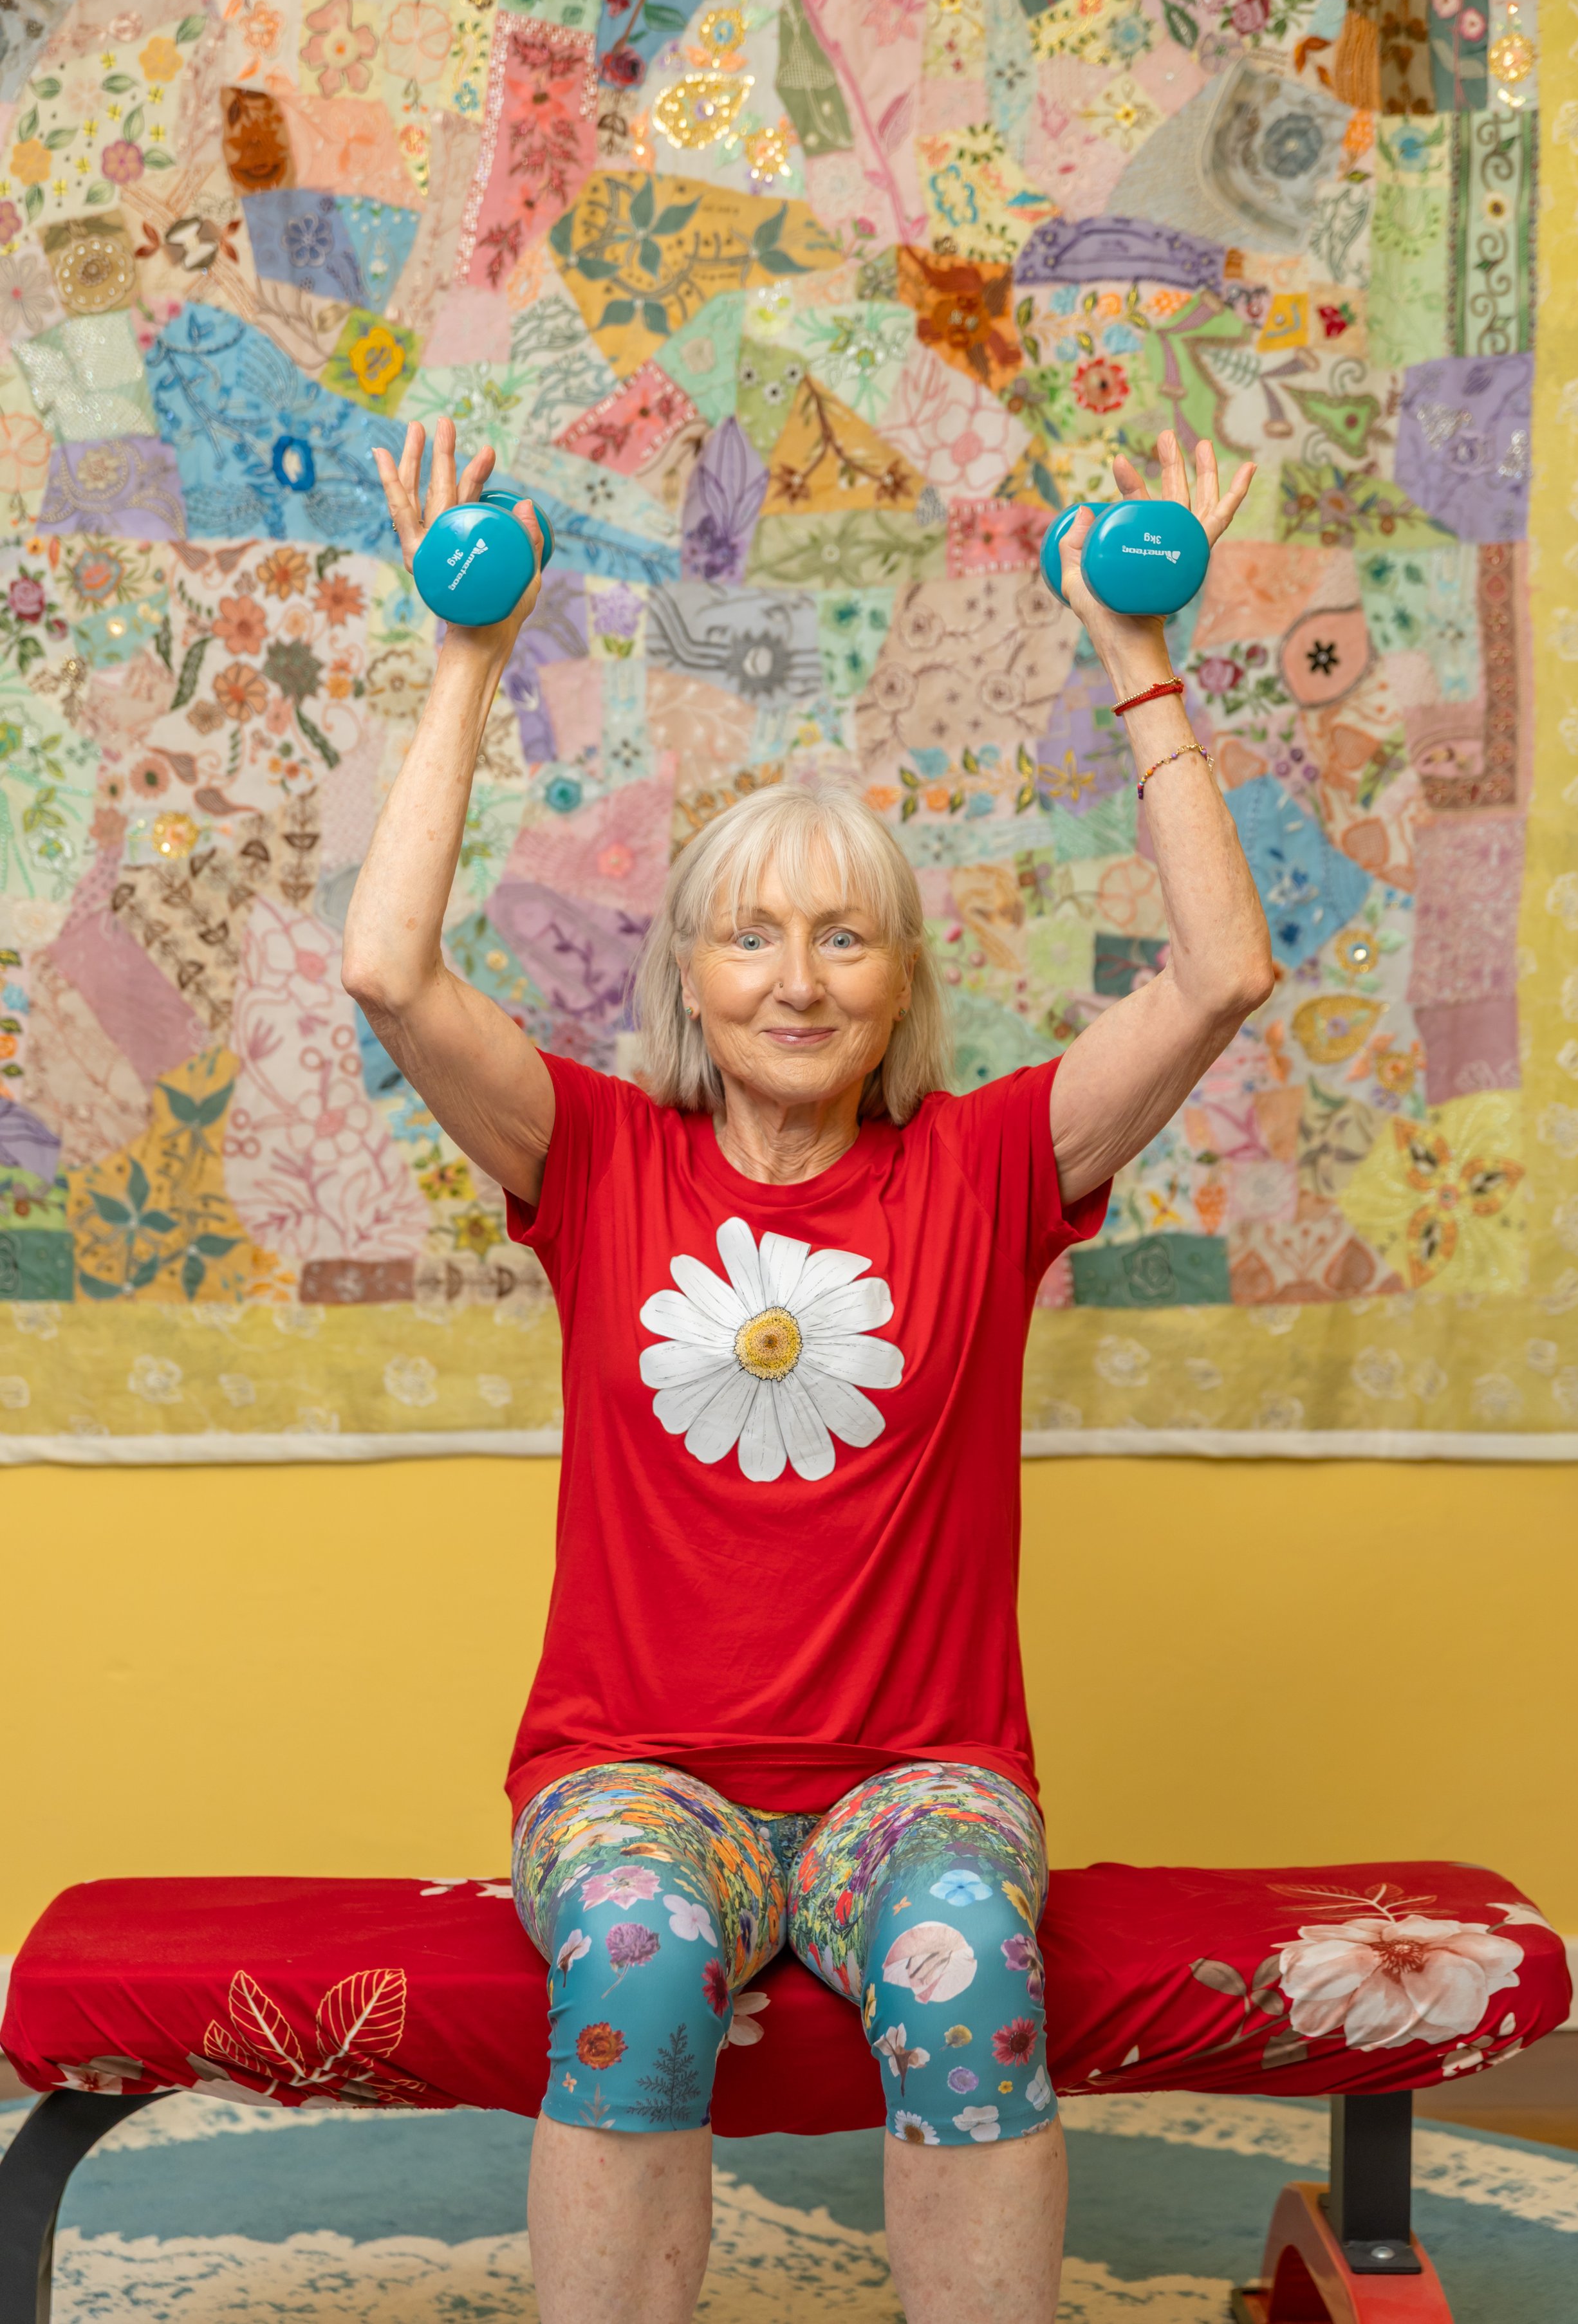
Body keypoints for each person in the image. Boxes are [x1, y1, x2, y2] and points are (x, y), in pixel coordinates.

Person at [351, 418, 1273, 2324]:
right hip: (635, 1781)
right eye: (751, 935)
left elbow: (1219, 980)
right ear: (686, 974)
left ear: (898, 984)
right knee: (630, 1966)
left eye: (844, 937)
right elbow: (387, 975)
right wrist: (468, 654)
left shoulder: (990, 1167)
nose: (796, 976)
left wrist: (1137, 656)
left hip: (915, 1789)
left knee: (967, 1965)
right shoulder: (597, 1161)